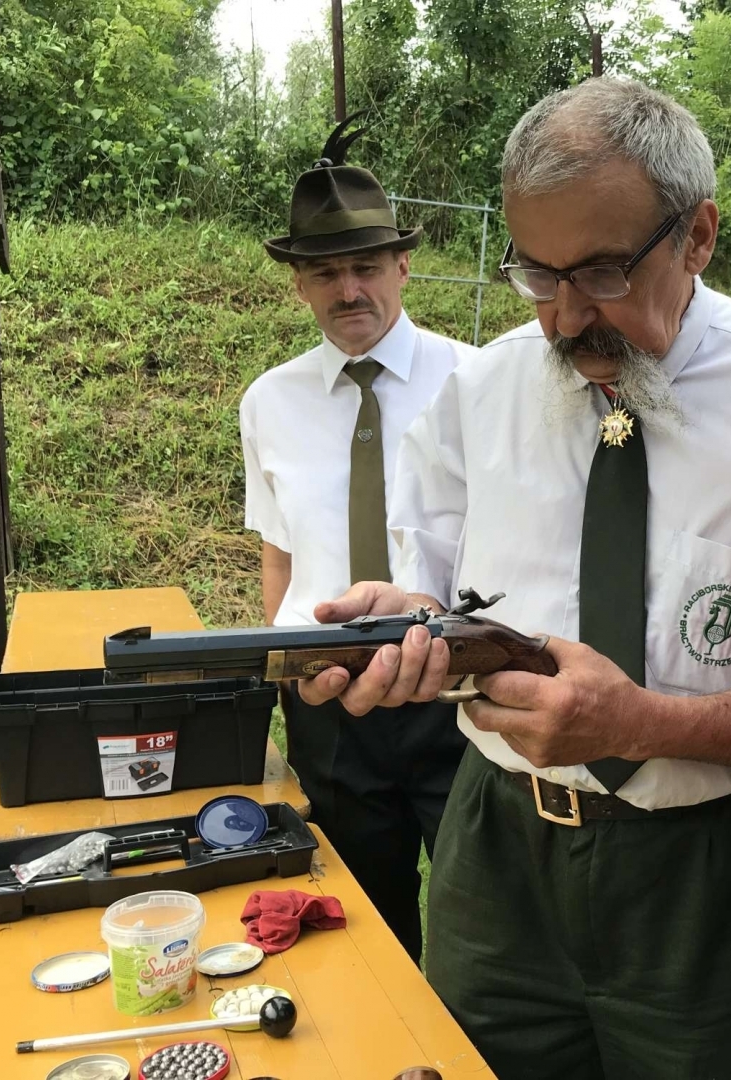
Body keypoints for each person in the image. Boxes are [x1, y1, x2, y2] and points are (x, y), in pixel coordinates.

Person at [295, 77, 731, 1080]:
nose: (567, 315)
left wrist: (640, 724)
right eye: (538, 275)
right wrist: (406, 623)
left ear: (700, 236)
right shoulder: (479, 394)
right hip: (497, 860)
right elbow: (441, 598)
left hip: (720, 880)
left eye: (604, 271)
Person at [240, 122, 475, 964]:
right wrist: (286, 679)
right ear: (299, 283)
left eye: (367, 267)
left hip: (455, 694)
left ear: (404, 265)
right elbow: (280, 553)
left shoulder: (475, 384)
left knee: (479, 923)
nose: (349, 290)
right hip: (329, 700)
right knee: (357, 927)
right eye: (325, 271)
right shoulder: (268, 402)